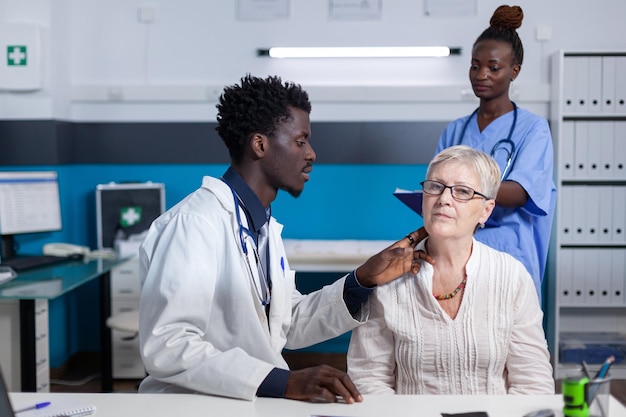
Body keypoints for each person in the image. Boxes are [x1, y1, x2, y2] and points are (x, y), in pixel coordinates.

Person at [137, 74, 431, 403]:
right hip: (190, 406)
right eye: (300, 141)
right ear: (260, 144)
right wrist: (283, 382)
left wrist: (361, 280)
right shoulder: (195, 223)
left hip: (242, 402)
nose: (312, 154)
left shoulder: (261, 227)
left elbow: (287, 323)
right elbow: (169, 344)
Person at [347, 145, 555, 395]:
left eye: (463, 191)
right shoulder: (388, 277)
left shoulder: (511, 277)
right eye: (435, 186)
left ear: (486, 210)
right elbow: (368, 380)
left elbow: (534, 384)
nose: (444, 198)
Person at [435, 5, 556, 302]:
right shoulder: (456, 130)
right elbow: (437, 186)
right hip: (456, 252)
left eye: (493, 67)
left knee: (507, 343)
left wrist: (462, 190)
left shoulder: (533, 129)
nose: (481, 74)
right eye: (475, 66)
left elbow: (520, 192)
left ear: (514, 72)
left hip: (508, 251)